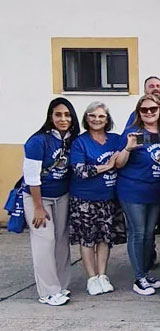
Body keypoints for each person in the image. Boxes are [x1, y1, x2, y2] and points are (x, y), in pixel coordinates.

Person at [22, 97, 79, 306]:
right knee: (44, 242)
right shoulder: (38, 141)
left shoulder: (73, 139)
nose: (63, 119)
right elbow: (31, 177)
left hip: (62, 195)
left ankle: (61, 285)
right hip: (38, 197)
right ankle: (48, 291)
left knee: (61, 241)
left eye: (67, 114)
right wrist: (38, 208)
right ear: (50, 116)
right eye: (58, 115)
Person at [69, 101, 125, 295]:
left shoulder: (116, 139)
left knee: (104, 239)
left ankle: (102, 275)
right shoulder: (79, 142)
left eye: (101, 116)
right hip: (85, 199)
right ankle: (91, 278)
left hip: (108, 198)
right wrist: (106, 167)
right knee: (87, 239)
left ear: (107, 120)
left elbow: (123, 160)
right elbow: (79, 171)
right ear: (86, 118)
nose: (96, 119)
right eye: (92, 115)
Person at [116, 95, 160, 296]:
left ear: (159, 110)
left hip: (154, 191)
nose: (149, 113)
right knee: (137, 233)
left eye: (153, 109)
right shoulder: (133, 133)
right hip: (133, 190)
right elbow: (119, 162)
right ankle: (139, 278)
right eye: (144, 110)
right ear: (138, 112)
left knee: (148, 234)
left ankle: (145, 273)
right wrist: (127, 149)